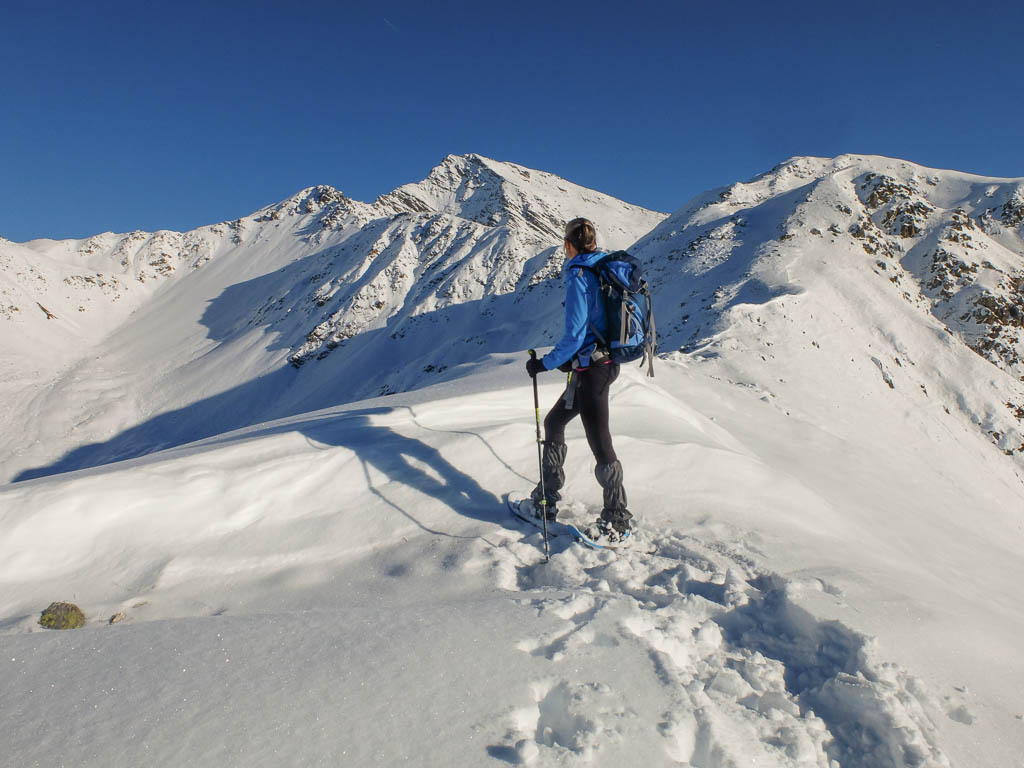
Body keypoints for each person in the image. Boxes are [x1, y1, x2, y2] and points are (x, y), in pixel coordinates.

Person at [524, 217, 632, 542]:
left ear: (568, 245)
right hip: (599, 363)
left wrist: (544, 364)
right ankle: (546, 499)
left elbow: (574, 333)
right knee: (555, 422)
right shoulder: (605, 266)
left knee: (601, 444)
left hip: (593, 369)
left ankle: (617, 520)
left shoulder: (579, 275)